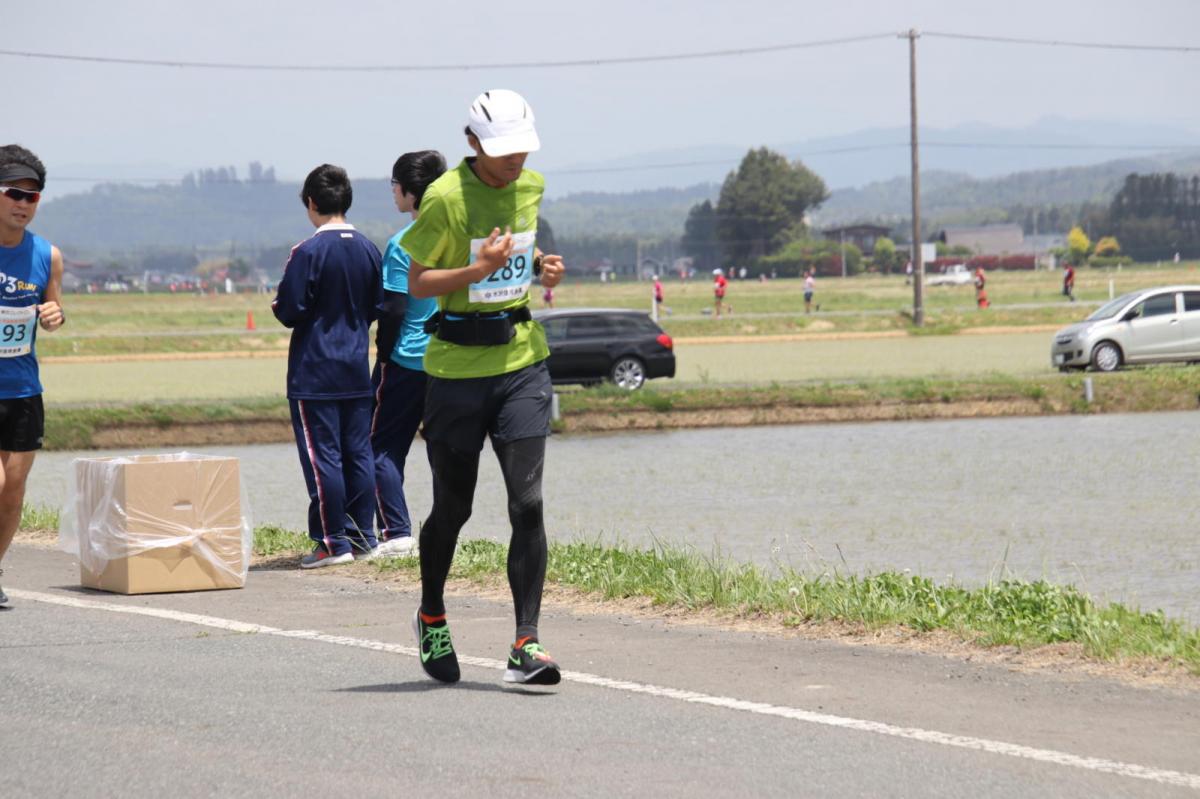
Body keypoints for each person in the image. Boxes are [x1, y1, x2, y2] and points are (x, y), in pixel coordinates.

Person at [401, 89, 566, 686]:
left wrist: (539, 264)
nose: (515, 160)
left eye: (523, 149)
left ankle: (526, 642)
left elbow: (516, 249)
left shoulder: (531, 186)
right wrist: (477, 270)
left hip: (521, 362)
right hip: (456, 372)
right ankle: (431, 613)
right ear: (472, 142)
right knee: (454, 508)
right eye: (503, 151)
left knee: (528, 503)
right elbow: (420, 282)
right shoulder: (445, 197)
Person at [272, 164, 384, 568]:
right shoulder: (369, 249)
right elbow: (377, 305)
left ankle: (332, 542)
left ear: (311, 202)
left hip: (314, 371)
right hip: (355, 366)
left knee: (323, 460)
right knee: (358, 454)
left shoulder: (307, 252)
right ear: (346, 200)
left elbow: (288, 309)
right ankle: (363, 537)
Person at [371, 151, 447, 558]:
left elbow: (394, 309)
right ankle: (444, 531)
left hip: (406, 361)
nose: (393, 192)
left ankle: (396, 532)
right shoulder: (456, 239)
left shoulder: (403, 244)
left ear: (410, 193)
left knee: (381, 448)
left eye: (394, 185)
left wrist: (383, 356)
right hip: (448, 361)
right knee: (444, 451)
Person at [0, 145, 65, 607]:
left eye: (32, 196)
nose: (23, 203)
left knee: (13, 491)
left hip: (24, 389)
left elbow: (54, 308)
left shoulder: (47, 254)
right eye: (14, 193)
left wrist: (54, 315)